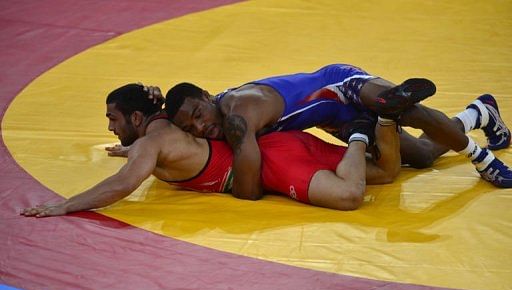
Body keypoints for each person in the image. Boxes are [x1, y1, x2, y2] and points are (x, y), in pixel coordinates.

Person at [21, 83, 401, 217]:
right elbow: (172, 102)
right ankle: (375, 125)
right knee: (384, 173)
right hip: (279, 145)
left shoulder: (151, 143)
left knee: (351, 196)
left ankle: (360, 134)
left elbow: (121, 186)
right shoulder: (165, 124)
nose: (109, 127)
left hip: (273, 164)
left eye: (113, 119)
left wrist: (65, 205)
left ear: (138, 118)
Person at [153, 63, 511, 200]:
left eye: (199, 115)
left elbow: (248, 192)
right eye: (191, 128)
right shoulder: (215, 106)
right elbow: (173, 122)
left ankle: (482, 159)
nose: (201, 127)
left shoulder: (236, 118)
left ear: (205, 95)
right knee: (418, 157)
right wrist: (154, 112)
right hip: (333, 119)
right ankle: (479, 113)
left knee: (407, 109)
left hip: (338, 84)